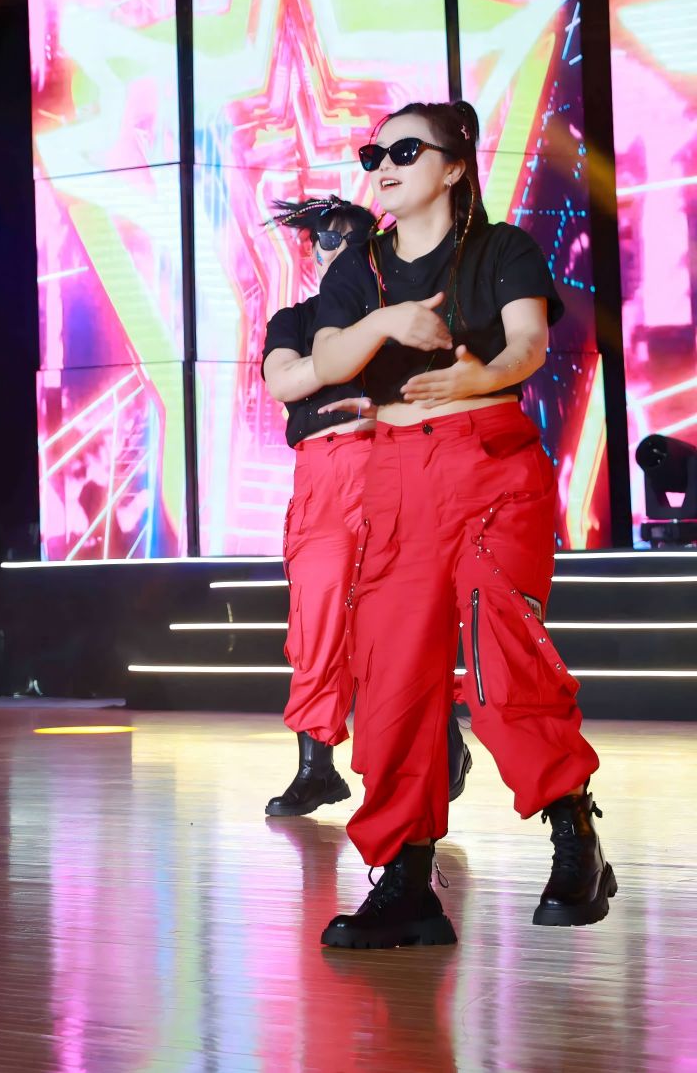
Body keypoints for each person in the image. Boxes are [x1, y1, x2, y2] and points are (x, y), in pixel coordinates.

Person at [310, 101, 613, 947]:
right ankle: (407, 881)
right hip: (395, 477)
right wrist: (385, 322)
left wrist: (479, 377)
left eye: (405, 149)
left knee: (498, 647)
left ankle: (574, 834)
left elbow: (528, 345)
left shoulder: (501, 248)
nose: (383, 164)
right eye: (374, 153)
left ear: (452, 167)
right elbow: (326, 360)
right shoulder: (361, 268)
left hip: (489, 465)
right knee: (393, 678)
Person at [260, 198, 472, 818]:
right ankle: (316, 766)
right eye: (327, 240)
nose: (339, 250)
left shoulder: (401, 314)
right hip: (324, 478)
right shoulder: (296, 318)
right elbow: (284, 380)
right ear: (312, 251)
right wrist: (341, 363)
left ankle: (443, 742)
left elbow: (437, 388)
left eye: (353, 241)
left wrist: (370, 402)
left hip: (395, 464)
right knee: (317, 619)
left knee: (406, 618)